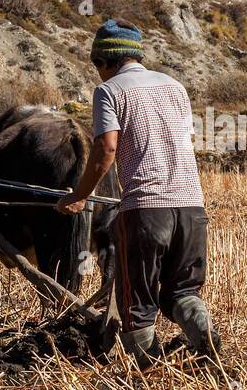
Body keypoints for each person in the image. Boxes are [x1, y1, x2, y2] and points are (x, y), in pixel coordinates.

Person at [56, 19, 219, 363]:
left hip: (146, 211)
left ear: (104, 60)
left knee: (136, 307)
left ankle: (149, 376)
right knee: (183, 293)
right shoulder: (175, 87)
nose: (97, 72)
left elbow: (106, 150)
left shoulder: (110, 91)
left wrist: (80, 195)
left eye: (96, 64)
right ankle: (202, 332)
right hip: (192, 207)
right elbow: (184, 141)